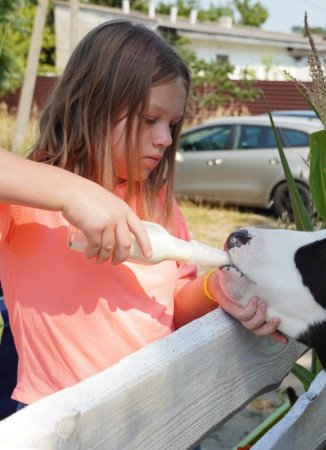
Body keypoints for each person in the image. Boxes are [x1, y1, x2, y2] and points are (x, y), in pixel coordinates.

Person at [0, 20, 286, 408]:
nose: (166, 139)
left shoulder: (159, 202)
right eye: (150, 119)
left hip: (159, 410)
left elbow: (172, 306)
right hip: (66, 424)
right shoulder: (28, 203)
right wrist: (72, 191)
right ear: (91, 104)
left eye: (172, 124)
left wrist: (215, 289)